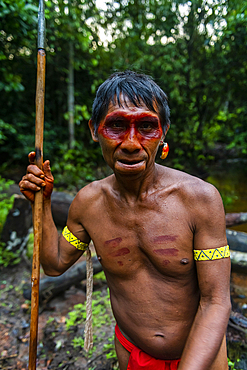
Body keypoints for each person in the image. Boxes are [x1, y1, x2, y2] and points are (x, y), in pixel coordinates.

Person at [19, 70, 231, 370]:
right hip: (132, 353)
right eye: (116, 125)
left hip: (202, 359)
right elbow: (53, 264)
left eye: (146, 126)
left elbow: (216, 302)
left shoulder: (200, 200)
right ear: (95, 129)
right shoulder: (89, 203)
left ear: (164, 131)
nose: (131, 143)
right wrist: (42, 202)